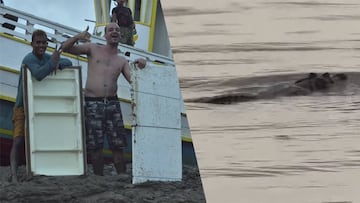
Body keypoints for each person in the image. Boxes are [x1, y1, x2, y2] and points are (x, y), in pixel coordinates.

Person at [61, 23, 146, 176]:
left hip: (113, 104)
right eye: (111, 30)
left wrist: (141, 66)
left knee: (117, 145)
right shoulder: (93, 48)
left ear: (120, 36)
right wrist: (78, 37)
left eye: (117, 30)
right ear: (105, 35)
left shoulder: (122, 61)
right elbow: (64, 48)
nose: (114, 32)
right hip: (92, 103)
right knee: (95, 146)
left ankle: (121, 177)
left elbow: (134, 81)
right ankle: (99, 178)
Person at [10, 30, 72, 182]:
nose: (42, 45)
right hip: (22, 105)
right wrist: (53, 63)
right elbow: (38, 74)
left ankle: (35, 170)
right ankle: (13, 174)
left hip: (37, 105)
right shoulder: (29, 58)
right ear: (32, 44)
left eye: (44, 42)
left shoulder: (46, 57)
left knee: (37, 139)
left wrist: (54, 63)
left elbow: (68, 63)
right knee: (18, 140)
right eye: (38, 42)